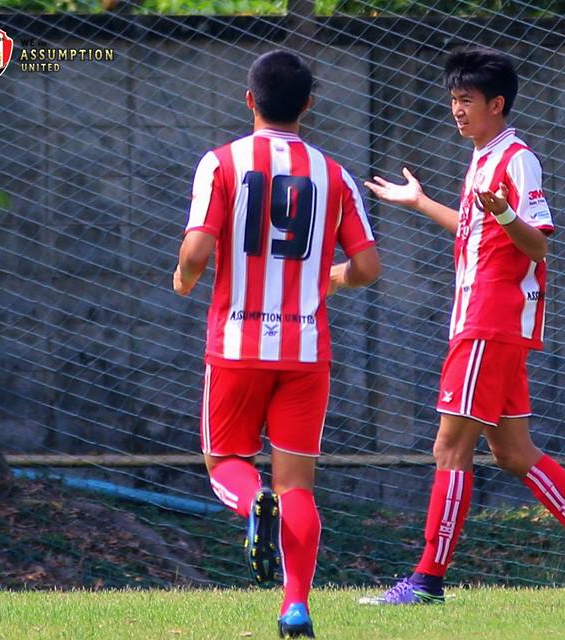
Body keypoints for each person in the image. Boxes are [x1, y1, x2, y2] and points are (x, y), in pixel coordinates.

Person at [359, 47, 565, 608]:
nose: (457, 110)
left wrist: (508, 214)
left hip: (488, 322)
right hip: (489, 323)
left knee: (449, 448)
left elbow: (537, 244)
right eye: (453, 99)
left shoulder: (516, 159)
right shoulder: (483, 158)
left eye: (466, 100)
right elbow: (476, 229)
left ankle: (427, 581)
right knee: (514, 452)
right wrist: (420, 202)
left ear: (497, 104)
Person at [173, 49, 381, 638]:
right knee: (298, 486)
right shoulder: (334, 174)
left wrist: (184, 278)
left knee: (224, 463)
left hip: (237, 344)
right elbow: (368, 267)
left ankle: (250, 504)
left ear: (250, 100)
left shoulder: (221, 163)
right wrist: (333, 278)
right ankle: (295, 606)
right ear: (308, 105)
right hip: (305, 349)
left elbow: (196, 251)